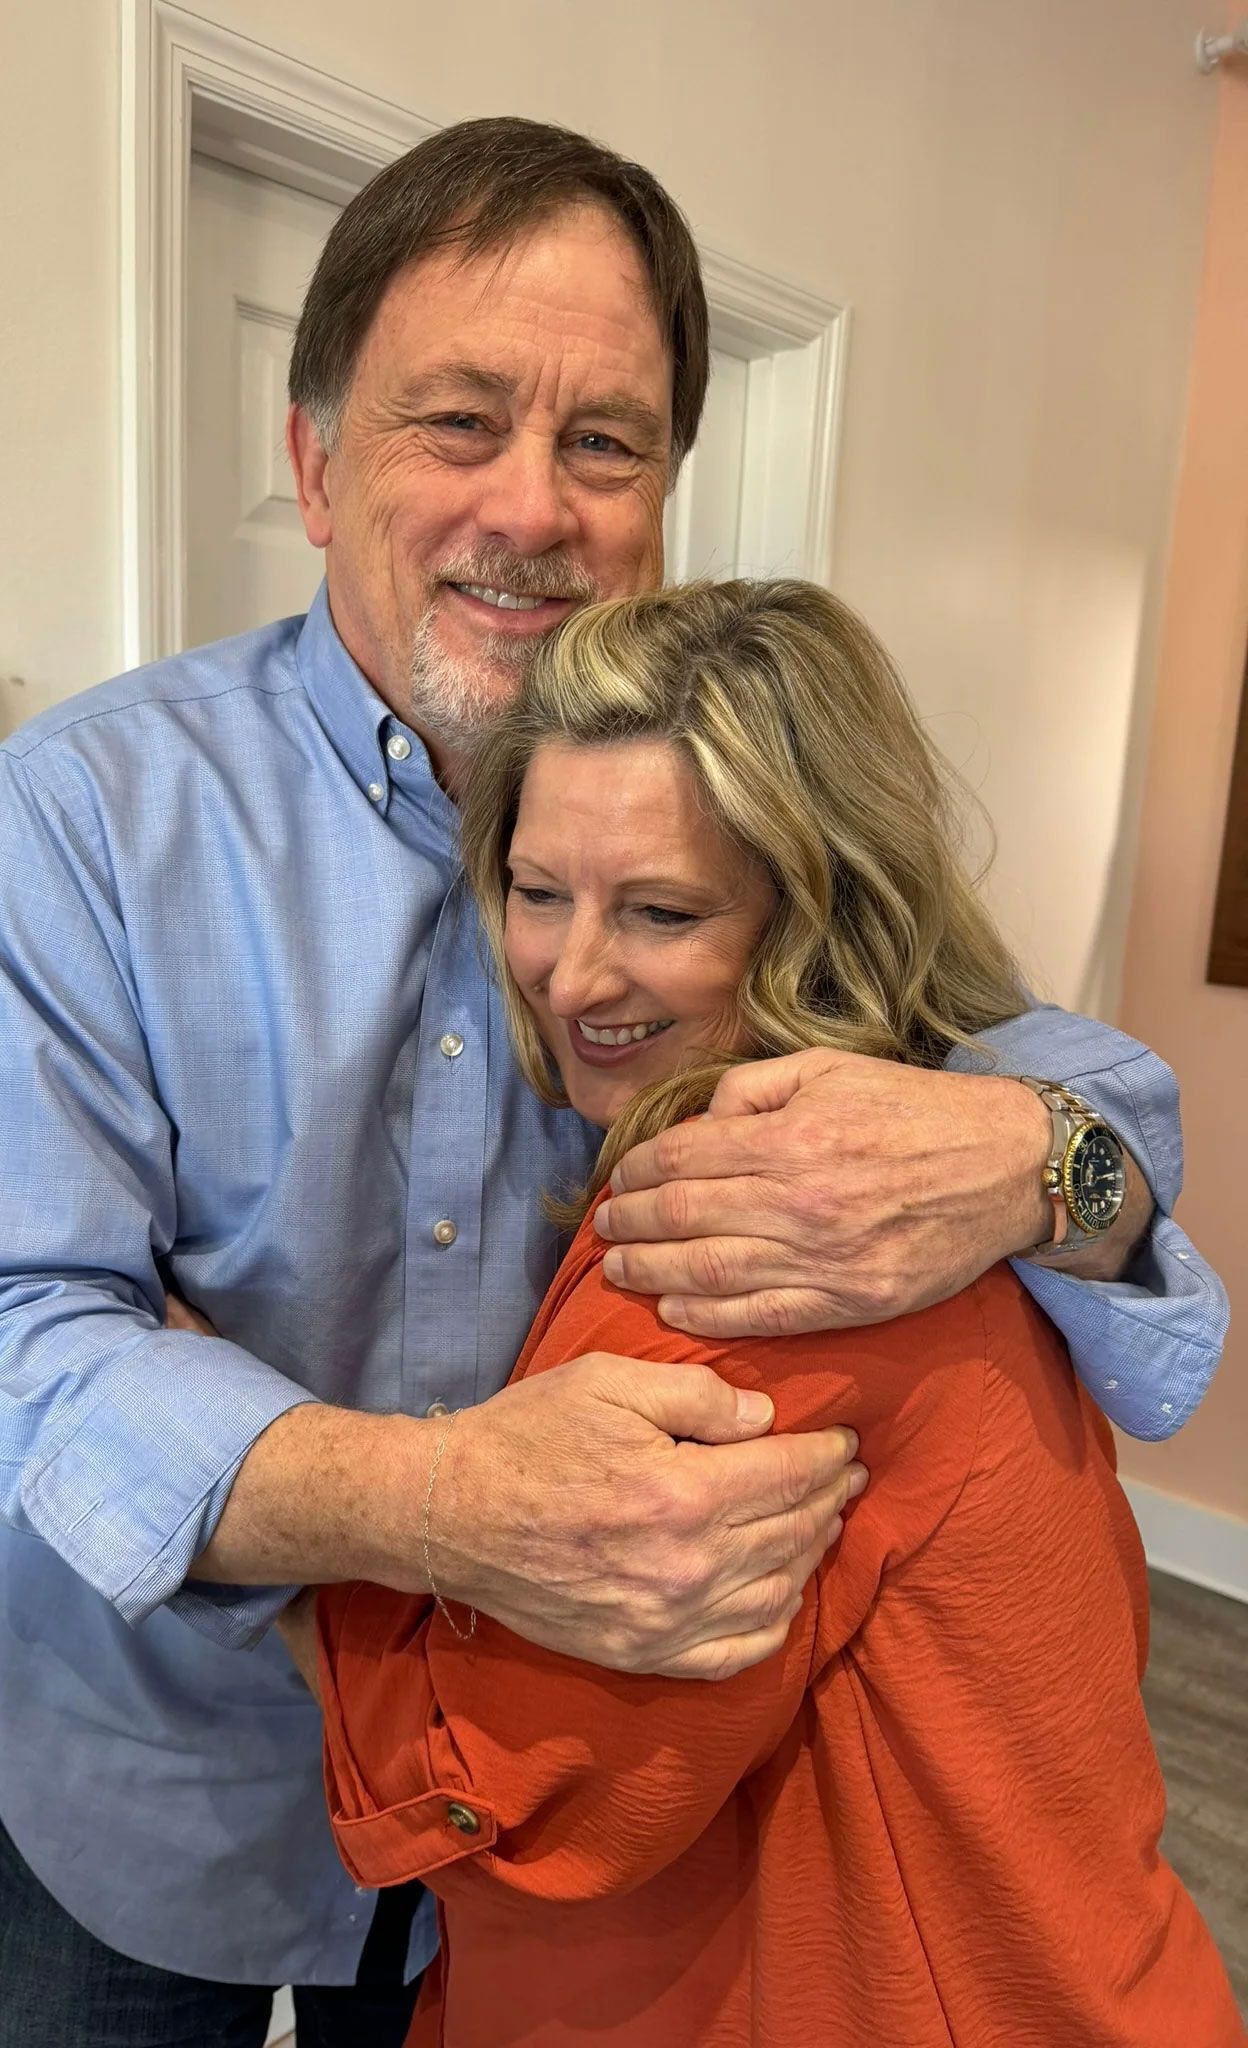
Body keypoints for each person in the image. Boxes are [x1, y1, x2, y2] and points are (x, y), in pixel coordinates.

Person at [0, 119, 1226, 2047]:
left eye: (606, 441)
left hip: (511, 1883)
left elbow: (1042, 1085)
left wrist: (1042, 1154)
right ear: (316, 459)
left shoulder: (739, 786)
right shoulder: (90, 816)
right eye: (458, 422)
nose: (537, 506)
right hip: (137, 1789)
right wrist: (432, 1504)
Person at [298, 578, 1244, 2048]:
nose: (573, 972)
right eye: (537, 891)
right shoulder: (937, 1150)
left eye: (663, 911)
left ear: (821, 913)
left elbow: (502, 1789)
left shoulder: (752, 1241)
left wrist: (293, 1529)